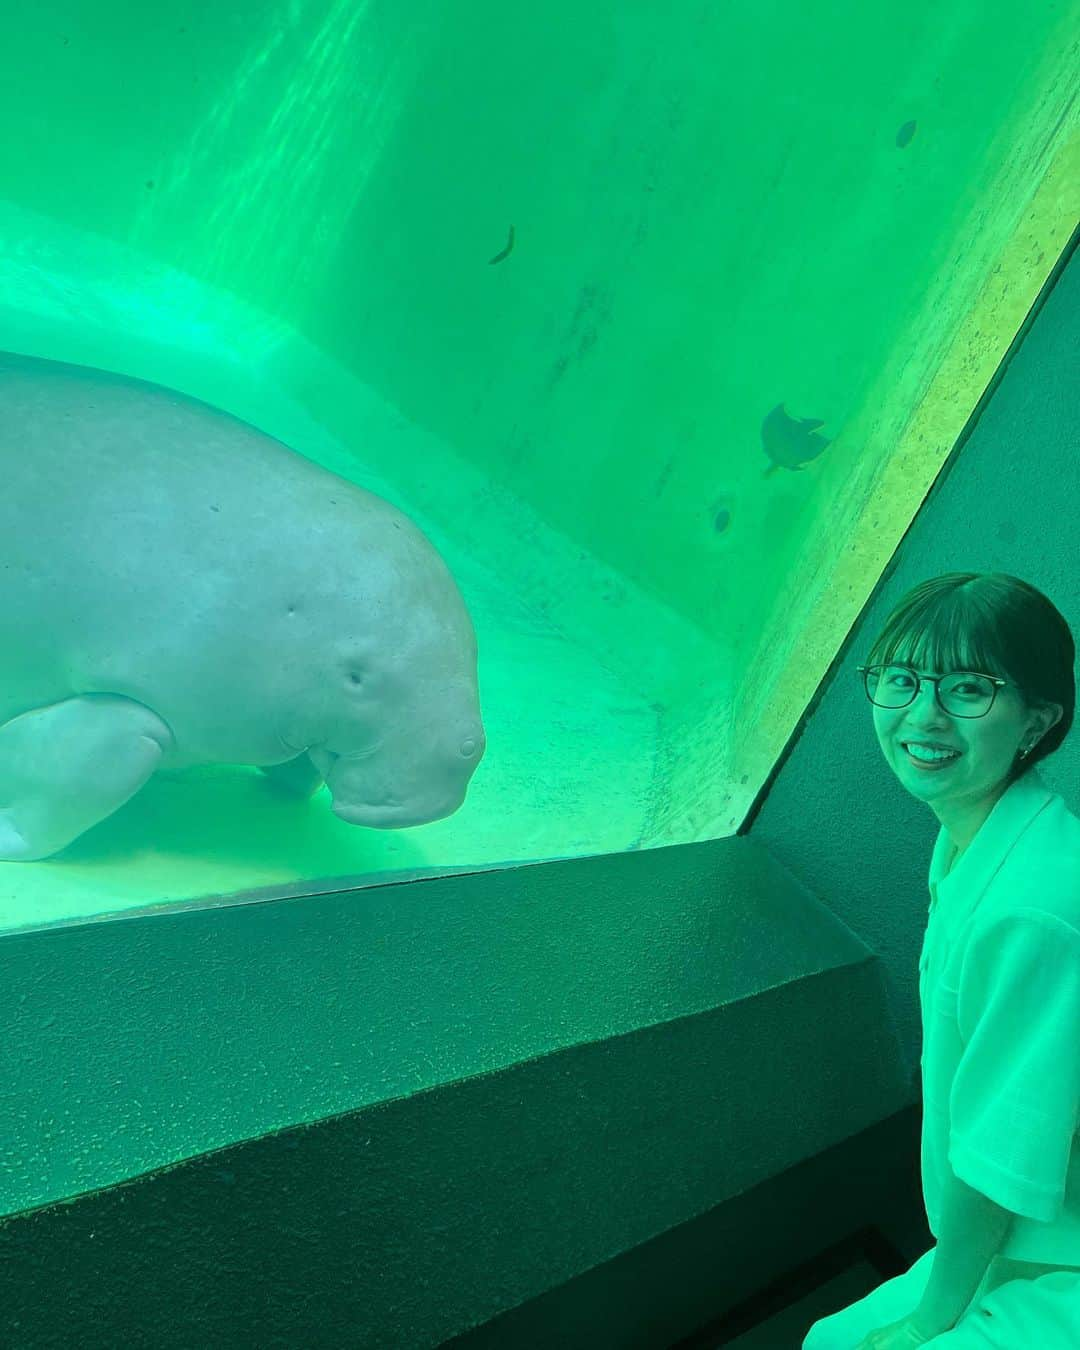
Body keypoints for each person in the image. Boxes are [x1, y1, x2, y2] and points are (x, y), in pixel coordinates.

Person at [803, 572, 1080, 1349]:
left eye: (969, 688)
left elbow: (999, 1165)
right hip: (1026, 1237)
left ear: (1037, 720)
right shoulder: (973, 838)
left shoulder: (1031, 908)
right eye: (900, 680)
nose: (922, 714)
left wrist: (933, 1318)